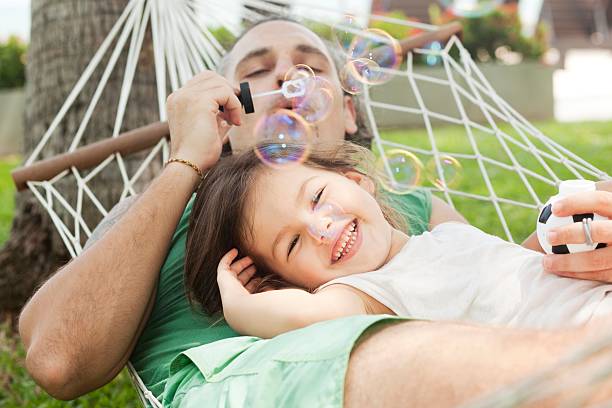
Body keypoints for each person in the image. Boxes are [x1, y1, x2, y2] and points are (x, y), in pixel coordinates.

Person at [17, 17, 612, 406]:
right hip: (268, 371)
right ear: (223, 116)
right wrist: (184, 166)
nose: (287, 75)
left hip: (482, 347)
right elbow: (57, 359)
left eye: (311, 63)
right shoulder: (160, 211)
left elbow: (490, 284)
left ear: (349, 114)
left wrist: (580, 244)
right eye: (255, 73)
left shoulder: (406, 206)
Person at [185, 141, 612, 339]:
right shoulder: (364, 292)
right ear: (288, 281)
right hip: (580, 340)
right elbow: (307, 315)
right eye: (292, 244)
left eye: (317, 197)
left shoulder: (442, 236)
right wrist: (240, 307)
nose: (321, 227)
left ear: (357, 180)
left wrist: (562, 226)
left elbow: (506, 277)